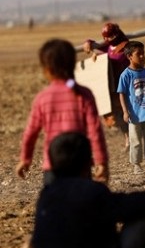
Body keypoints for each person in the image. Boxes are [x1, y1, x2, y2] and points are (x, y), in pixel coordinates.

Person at [15, 39, 109, 184]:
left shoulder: (43, 98)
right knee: (81, 204)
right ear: (73, 64)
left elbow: (30, 132)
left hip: (53, 166)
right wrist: (101, 161)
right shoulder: (84, 94)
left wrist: (25, 159)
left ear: (46, 69)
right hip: (81, 163)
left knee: (56, 204)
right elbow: (95, 131)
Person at [83, 23, 131, 150]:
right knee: (117, 114)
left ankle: (134, 139)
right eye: (104, 37)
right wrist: (89, 42)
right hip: (112, 86)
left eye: (108, 37)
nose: (106, 40)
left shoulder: (126, 47)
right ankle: (128, 138)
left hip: (125, 86)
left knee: (127, 112)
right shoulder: (109, 47)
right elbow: (100, 51)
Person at [117, 41, 145, 174]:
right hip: (134, 115)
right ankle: (137, 165)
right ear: (130, 56)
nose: (142, 56)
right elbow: (122, 94)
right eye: (138, 54)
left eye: (143, 53)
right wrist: (125, 111)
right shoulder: (126, 75)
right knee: (135, 140)